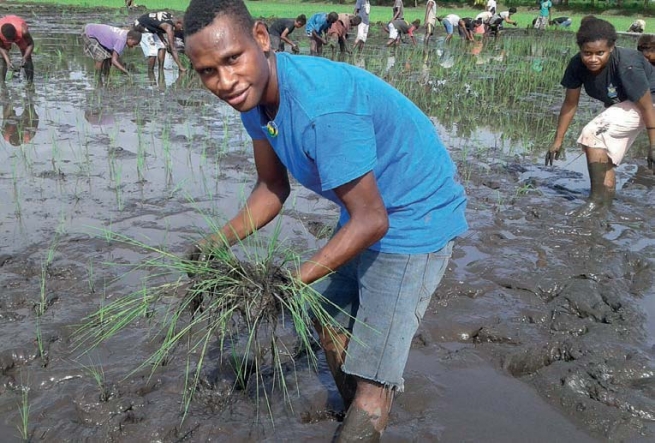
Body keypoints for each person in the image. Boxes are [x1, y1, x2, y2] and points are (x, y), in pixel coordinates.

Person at [182, 0, 467, 441]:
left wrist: (290, 282)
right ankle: (355, 397)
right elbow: (271, 188)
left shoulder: (321, 108)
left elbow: (372, 221)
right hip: (366, 208)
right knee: (323, 311)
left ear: (261, 38)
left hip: (414, 215)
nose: (225, 82)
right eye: (207, 72)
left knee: (373, 387)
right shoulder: (254, 99)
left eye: (232, 59)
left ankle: (370, 400)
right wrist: (211, 247)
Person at [546, 17, 655, 217]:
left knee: (592, 134)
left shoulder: (626, 64)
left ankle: (596, 200)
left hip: (650, 104)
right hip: (626, 104)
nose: (593, 59)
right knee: (601, 154)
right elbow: (570, 103)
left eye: (600, 53)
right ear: (580, 50)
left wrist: (653, 144)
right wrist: (558, 140)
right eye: (587, 53)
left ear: (611, 48)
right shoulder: (577, 64)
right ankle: (604, 206)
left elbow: (647, 106)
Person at [0, 16, 34, 87]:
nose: (11, 42)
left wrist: (25, 57)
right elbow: (1, 48)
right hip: (5, 32)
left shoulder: (23, 31)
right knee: (4, 59)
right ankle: (2, 83)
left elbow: (30, 44)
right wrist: (8, 61)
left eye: (13, 39)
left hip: (19, 32)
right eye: (9, 40)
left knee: (27, 57)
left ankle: (30, 82)